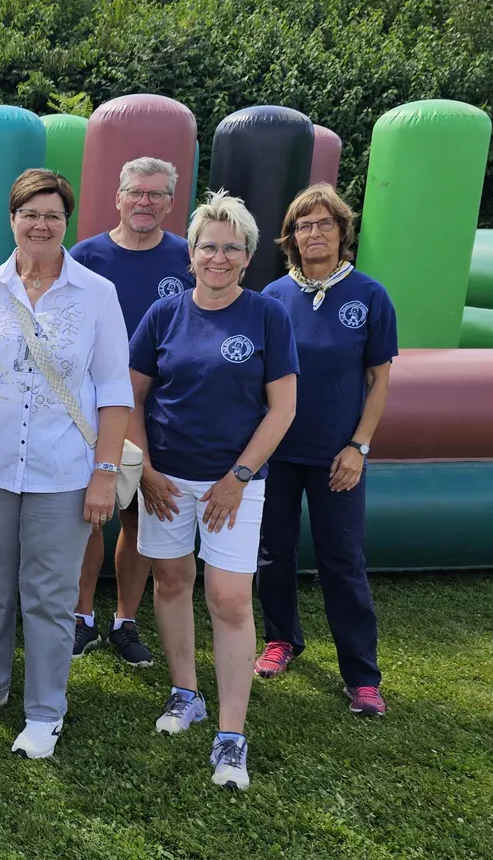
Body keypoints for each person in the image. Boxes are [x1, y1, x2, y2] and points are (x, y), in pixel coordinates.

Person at [0, 169, 133, 761]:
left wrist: (103, 474)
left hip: (64, 473)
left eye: (52, 214)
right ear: (11, 221)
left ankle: (46, 711)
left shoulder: (97, 294)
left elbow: (115, 391)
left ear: (65, 222)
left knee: (48, 594)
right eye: (30, 213)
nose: (41, 224)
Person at [128, 190, 298, 791]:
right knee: (171, 582)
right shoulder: (164, 315)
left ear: (247, 257)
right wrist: (145, 471)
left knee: (228, 599)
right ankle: (185, 694)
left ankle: (231, 736)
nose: (219, 257)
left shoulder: (267, 316)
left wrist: (239, 478)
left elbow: (282, 409)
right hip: (165, 481)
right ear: (191, 254)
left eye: (232, 248)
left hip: (236, 483)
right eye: (209, 246)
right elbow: (133, 399)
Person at [256, 184, 397, 717]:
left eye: (324, 224)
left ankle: (361, 676)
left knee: (343, 561)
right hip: (277, 452)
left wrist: (359, 446)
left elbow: (379, 381)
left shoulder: (369, 295)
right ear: (290, 236)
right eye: (303, 225)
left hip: (339, 456)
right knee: (274, 551)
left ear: (343, 231)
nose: (314, 233)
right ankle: (281, 640)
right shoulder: (271, 297)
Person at [66, 157, 194, 667]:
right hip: (88, 410)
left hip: (157, 412)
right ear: (117, 197)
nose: (145, 202)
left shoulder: (189, 259)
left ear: (170, 203)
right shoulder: (84, 256)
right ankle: (82, 618)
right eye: (136, 193)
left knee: (140, 515)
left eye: (156, 195)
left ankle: (124, 619)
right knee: (87, 516)